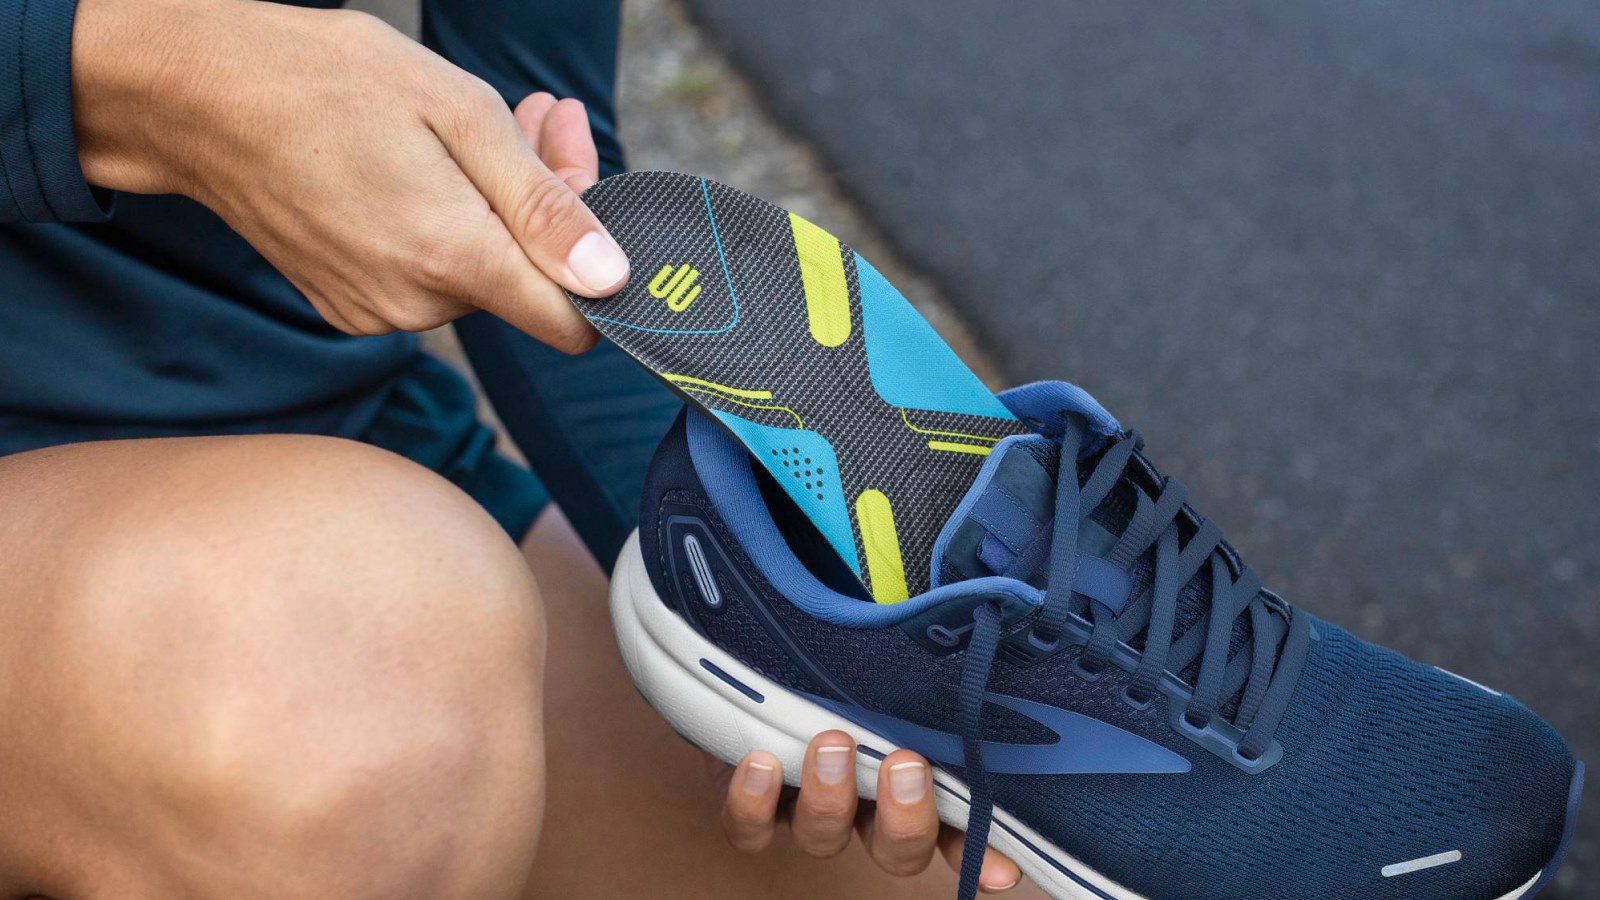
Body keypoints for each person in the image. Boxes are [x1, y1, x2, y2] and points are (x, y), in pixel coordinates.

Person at [0, 0, 1028, 896]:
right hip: (289, 579)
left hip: (301, 430)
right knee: (343, 697)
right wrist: (122, 78)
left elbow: (538, 176)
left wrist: (764, 640)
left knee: (1016, 850)